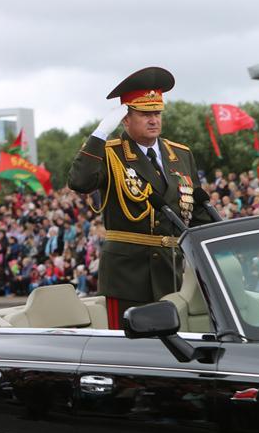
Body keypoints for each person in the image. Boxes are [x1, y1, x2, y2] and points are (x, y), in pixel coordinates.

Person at [68, 67, 213, 328]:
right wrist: (100, 134)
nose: (153, 120)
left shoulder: (180, 155)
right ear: (125, 119)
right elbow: (80, 182)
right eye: (145, 114)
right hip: (128, 276)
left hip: (172, 272)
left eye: (157, 113)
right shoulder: (111, 154)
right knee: (129, 352)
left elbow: (196, 214)